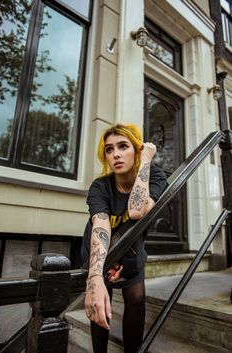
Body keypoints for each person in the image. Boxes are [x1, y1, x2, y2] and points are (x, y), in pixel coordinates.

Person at [81, 123, 167, 353]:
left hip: (131, 247)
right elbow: (100, 224)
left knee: (136, 298)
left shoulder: (155, 176)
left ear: (136, 150)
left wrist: (146, 160)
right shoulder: (100, 186)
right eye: (109, 149)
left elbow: (137, 211)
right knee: (100, 299)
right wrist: (95, 277)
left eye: (123, 146)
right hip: (100, 249)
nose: (115, 154)